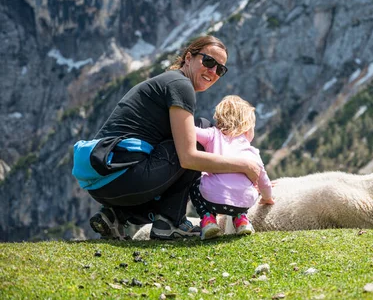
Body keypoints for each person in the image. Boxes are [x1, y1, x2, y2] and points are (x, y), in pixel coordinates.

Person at [72, 35, 262, 240]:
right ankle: (170, 222)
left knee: (189, 136)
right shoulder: (181, 85)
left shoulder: (168, 82)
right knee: (201, 134)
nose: (213, 71)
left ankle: (115, 215)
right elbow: (189, 158)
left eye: (220, 69)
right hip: (123, 175)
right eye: (208, 62)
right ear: (189, 57)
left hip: (102, 181)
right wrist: (244, 166)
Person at [189, 95, 274, 240]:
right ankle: (242, 221)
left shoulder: (212, 135)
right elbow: (263, 180)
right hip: (243, 203)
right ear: (248, 128)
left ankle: (208, 220)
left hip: (212, 200)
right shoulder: (252, 151)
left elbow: (190, 130)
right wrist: (267, 198)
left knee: (194, 181)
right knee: (250, 186)